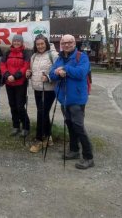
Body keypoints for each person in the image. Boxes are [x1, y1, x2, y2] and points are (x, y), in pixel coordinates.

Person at [49, 34, 94, 169]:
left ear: (74, 43)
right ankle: (74, 150)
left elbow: (81, 73)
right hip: (64, 98)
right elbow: (51, 74)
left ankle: (88, 157)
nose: (67, 45)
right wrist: (57, 73)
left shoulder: (82, 57)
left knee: (79, 127)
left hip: (77, 99)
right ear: (61, 44)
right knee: (69, 125)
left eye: (70, 42)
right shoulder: (60, 57)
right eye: (64, 43)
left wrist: (65, 69)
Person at [26, 34, 59, 153]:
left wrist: (49, 77)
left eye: (42, 44)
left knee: (41, 113)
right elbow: (32, 70)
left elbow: (58, 71)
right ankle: (48, 137)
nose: (40, 46)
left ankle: (39, 140)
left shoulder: (53, 55)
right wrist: (29, 73)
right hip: (37, 88)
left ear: (46, 44)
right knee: (44, 113)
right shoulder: (34, 56)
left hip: (49, 89)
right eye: (38, 44)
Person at [0, 34, 31, 137]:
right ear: (12, 42)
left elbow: (26, 66)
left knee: (20, 106)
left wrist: (15, 76)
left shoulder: (25, 53)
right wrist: (7, 75)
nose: (16, 43)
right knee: (12, 105)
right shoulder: (7, 52)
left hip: (20, 83)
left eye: (18, 41)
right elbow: (2, 65)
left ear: (22, 43)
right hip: (9, 83)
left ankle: (26, 126)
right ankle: (16, 126)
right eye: (15, 41)